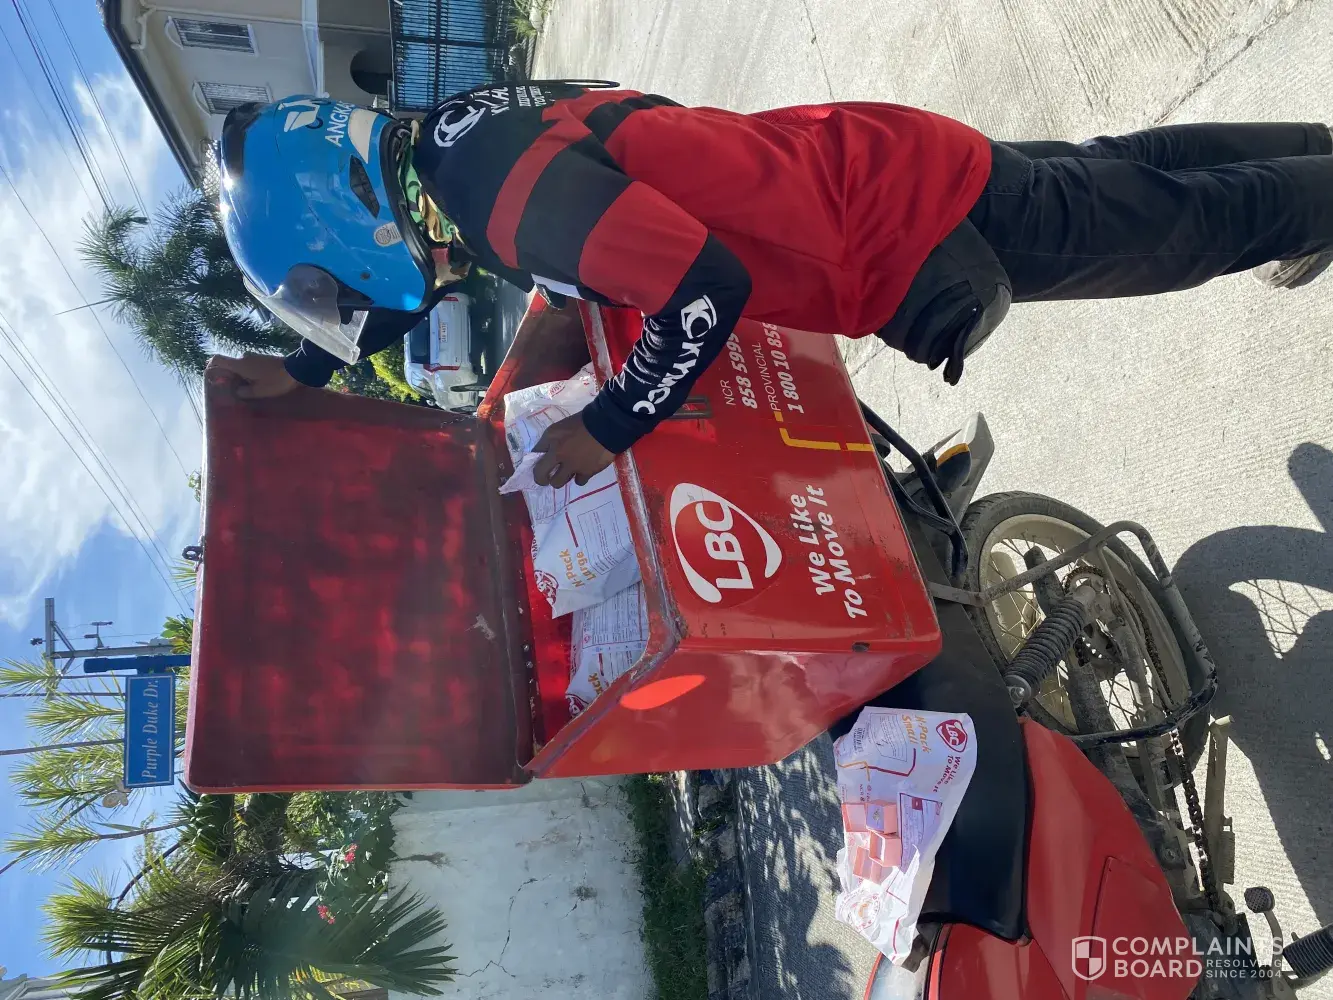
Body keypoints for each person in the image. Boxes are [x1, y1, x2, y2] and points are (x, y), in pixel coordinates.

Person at [214, 84, 1333, 488]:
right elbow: (417, 289)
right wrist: (304, 367)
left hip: (901, 220)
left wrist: (609, 425)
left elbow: (705, 288)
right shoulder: (456, 148)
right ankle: (1308, 157)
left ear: (348, 226)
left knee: (1174, 232)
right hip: (864, 162)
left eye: (325, 283)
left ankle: (1315, 194)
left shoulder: (502, 202)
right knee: (1123, 174)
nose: (341, 300)